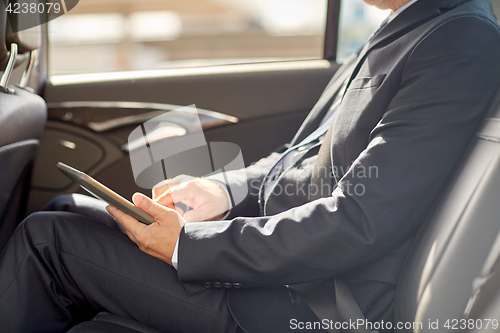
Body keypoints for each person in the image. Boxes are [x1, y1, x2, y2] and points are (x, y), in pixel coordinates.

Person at [1, 0, 500, 331]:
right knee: (70, 208)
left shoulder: (458, 40)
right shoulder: (404, 27)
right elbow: (300, 157)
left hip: (316, 304)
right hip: (290, 273)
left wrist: (187, 246)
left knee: (47, 240)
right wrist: (225, 191)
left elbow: (360, 220)